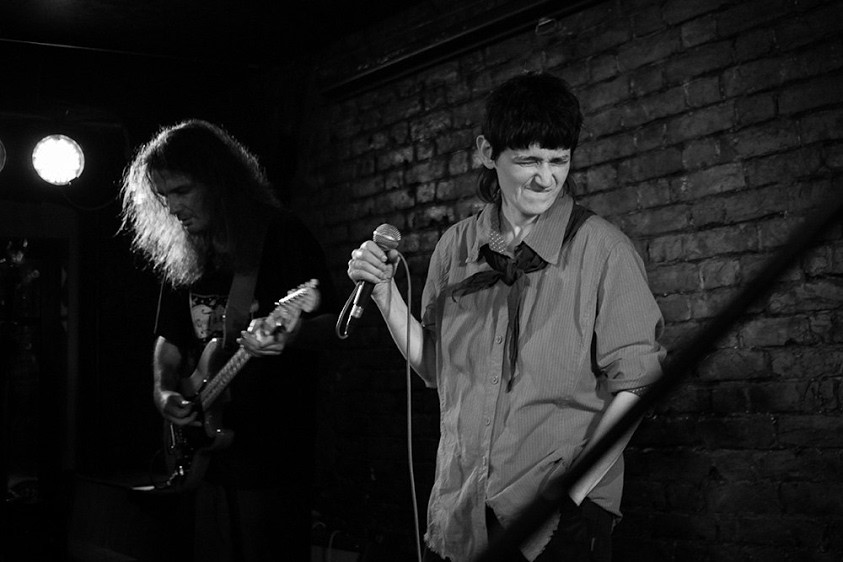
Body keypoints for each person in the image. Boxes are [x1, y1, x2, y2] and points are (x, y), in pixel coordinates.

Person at [347, 72, 665, 561]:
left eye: (559, 160)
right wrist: (386, 294)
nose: (546, 178)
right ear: (486, 152)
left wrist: (572, 492)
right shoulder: (455, 246)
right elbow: (436, 368)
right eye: (528, 160)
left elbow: (638, 385)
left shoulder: (604, 250)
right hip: (462, 504)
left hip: (557, 513)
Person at [120, 119, 338, 561]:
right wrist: (163, 391)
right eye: (164, 196)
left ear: (219, 182)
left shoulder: (280, 236)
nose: (173, 208)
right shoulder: (186, 252)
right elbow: (169, 339)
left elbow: (333, 324)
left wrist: (292, 334)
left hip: (271, 458)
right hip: (203, 459)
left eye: (182, 191)